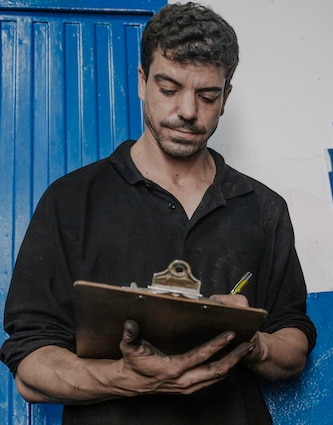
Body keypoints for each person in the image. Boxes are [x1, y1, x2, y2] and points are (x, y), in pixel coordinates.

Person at [0, 2, 316, 424]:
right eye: (169, 89)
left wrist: (250, 342)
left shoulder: (262, 208)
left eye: (207, 95)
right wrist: (127, 378)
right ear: (142, 81)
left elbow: (293, 343)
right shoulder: (71, 200)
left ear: (226, 98)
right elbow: (30, 368)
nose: (188, 111)